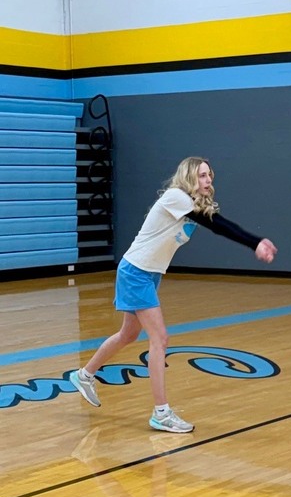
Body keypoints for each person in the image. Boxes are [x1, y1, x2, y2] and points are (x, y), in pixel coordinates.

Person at [69, 157, 277, 433]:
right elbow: (217, 224)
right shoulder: (175, 197)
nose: (208, 180)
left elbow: (214, 220)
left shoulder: (191, 204)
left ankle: (84, 375)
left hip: (149, 273)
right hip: (136, 272)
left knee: (129, 335)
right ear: (190, 177)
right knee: (160, 339)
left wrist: (254, 242)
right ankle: (161, 413)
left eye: (210, 176)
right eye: (202, 176)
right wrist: (255, 242)